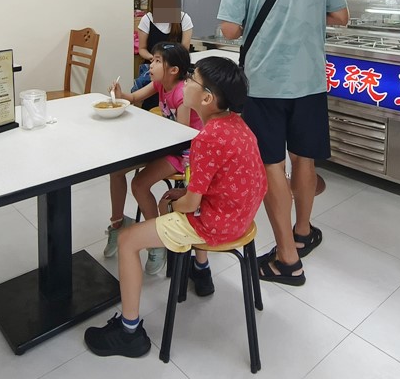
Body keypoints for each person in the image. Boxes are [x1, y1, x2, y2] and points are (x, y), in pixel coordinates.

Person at [84, 56, 266, 358]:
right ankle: (201, 270)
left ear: (206, 98)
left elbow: (192, 203)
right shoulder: (238, 126)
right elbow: (217, 183)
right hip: (242, 219)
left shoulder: (207, 137)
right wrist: (186, 193)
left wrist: (179, 202)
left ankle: (129, 332)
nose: (186, 84)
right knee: (174, 200)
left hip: (214, 225)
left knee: (129, 241)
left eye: (191, 79)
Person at [217, 0, 349, 286]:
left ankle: (287, 258)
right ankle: (303, 232)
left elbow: (229, 29)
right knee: (304, 159)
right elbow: (341, 16)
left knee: (271, 163)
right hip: (309, 81)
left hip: (263, 84)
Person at [104, 43, 203, 276]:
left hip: (184, 152)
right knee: (116, 170)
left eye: (158, 61)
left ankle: (157, 241)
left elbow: (181, 134)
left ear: (174, 70)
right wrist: (120, 95)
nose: (152, 64)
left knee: (139, 184)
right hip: (162, 145)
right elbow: (134, 97)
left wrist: (149, 135)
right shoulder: (160, 83)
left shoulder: (182, 93)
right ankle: (117, 223)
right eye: (154, 59)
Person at [131, 0, 193, 95]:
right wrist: (155, 60)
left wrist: (167, 63)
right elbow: (142, 49)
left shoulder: (184, 19)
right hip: (154, 70)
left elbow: (184, 50)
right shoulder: (147, 19)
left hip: (174, 72)